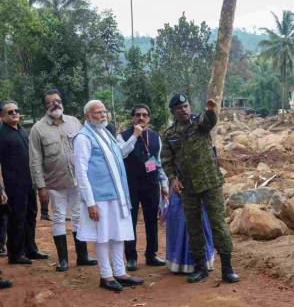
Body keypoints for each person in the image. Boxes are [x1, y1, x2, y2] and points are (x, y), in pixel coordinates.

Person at [161, 94, 239, 284]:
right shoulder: (169, 134)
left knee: (218, 224)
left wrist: (211, 110)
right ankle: (200, 267)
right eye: (179, 108)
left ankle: (227, 268)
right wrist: (172, 179)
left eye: (186, 106)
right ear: (173, 112)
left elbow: (209, 121)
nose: (184, 110)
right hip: (187, 187)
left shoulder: (199, 123)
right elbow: (166, 160)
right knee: (193, 226)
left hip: (209, 182)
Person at [73, 100, 143, 291]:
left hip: (117, 195)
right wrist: (90, 203)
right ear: (88, 116)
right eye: (98, 112)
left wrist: (134, 137)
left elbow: (119, 154)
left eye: (104, 111)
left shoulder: (105, 133)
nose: (103, 115)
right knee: (102, 237)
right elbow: (81, 172)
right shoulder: (83, 138)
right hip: (99, 197)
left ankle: (120, 272)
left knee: (117, 233)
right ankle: (106, 276)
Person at [29, 89, 97, 271]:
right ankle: (63, 260)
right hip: (54, 183)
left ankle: (82, 256)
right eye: (51, 102)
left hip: (77, 180)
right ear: (45, 106)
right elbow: (35, 160)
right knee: (58, 218)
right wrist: (40, 187)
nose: (56, 104)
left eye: (58, 100)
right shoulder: (38, 129)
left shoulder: (74, 122)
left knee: (78, 217)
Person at [117, 104, 168, 271]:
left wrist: (164, 184)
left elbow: (157, 161)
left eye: (144, 115)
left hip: (151, 184)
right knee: (130, 220)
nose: (141, 118)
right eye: (137, 114)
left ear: (149, 118)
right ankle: (131, 257)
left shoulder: (155, 137)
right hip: (130, 185)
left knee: (151, 220)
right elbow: (121, 153)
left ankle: (151, 254)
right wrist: (134, 136)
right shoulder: (123, 136)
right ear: (133, 118)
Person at [0, 100, 48, 264]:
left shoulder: (22, 131)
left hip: (28, 182)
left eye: (16, 110)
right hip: (12, 185)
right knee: (17, 219)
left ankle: (31, 249)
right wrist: (2, 188)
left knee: (30, 215)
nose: (14, 113)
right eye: (10, 112)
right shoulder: (1, 134)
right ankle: (16, 254)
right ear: (2, 116)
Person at [165, 191, 215, 273]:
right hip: (179, 187)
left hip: (198, 188)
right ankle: (179, 262)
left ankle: (201, 263)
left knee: (196, 220)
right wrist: (173, 179)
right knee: (179, 220)